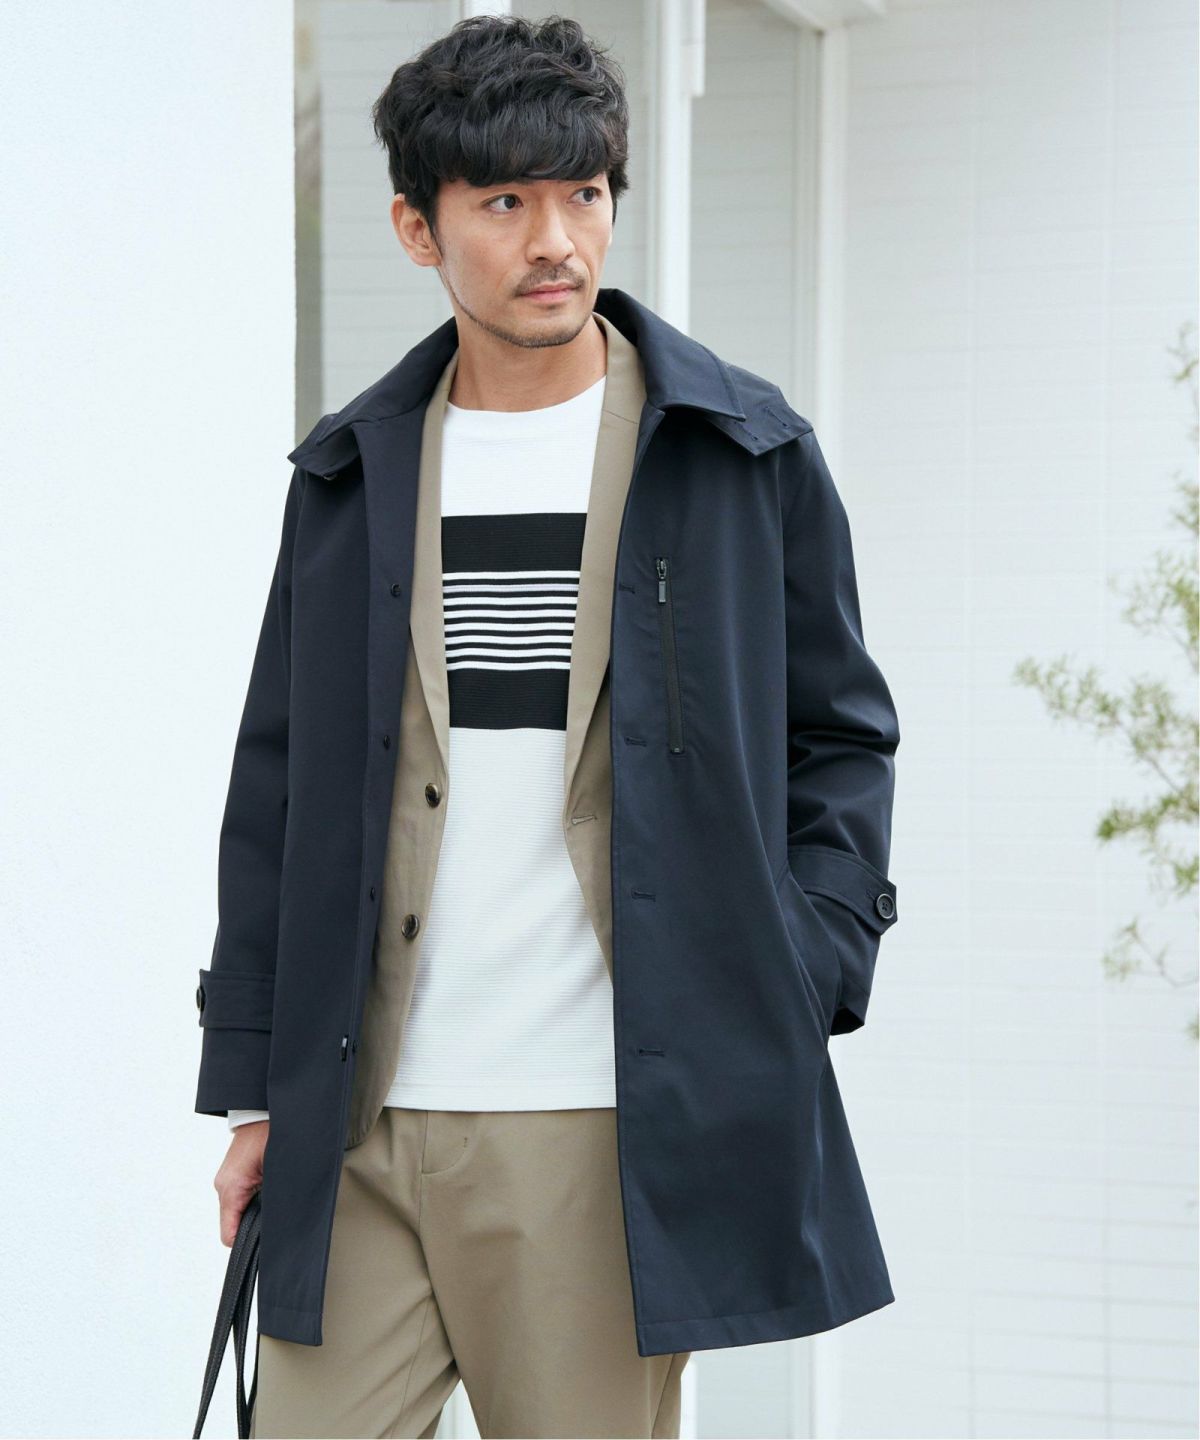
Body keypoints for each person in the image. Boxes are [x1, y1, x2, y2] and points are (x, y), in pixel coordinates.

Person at [197, 14, 901, 1439]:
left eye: (583, 193)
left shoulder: (738, 454)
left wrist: (806, 955)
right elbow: (279, 787)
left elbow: (839, 736)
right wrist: (253, 1087)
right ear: (418, 227)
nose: (556, 242)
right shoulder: (349, 475)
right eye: (505, 202)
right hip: (363, 1121)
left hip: (606, 1125)